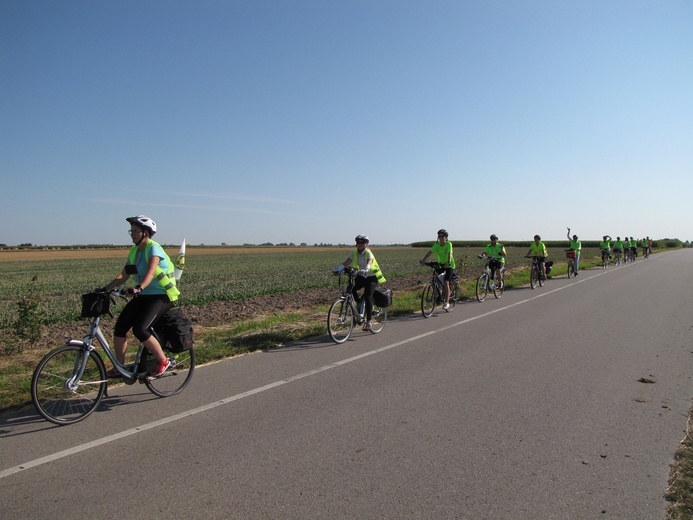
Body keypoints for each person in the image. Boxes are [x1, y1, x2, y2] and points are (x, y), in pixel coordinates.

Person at [103, 215, 180, 377]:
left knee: (140, 329)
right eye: (131, 231)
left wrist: (138, 288)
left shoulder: (153, 248)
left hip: (162, 296)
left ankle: (163, 360)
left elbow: (151, 272)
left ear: (146, 233)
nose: (132, 234)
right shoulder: (134, 251)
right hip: (144, 295)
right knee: (120, 328)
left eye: (135, 231)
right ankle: (120, 367)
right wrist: (105, 289)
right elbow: (124, 275)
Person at [333, 234, 386, 331]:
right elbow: (347, 262)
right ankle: (359, 304)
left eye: (362, 242)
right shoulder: (354, 253)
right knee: (350, 288)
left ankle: (368, 321)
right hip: (361, 276)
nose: (360, 244)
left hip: (371, 277)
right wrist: (337, 269)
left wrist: (366, 268)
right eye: (358, 242)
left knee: (367, 297)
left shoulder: (368, 253)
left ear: (366, 244)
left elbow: (369, 261)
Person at [420, 229, 456, 309]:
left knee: (446, 282)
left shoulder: (448, 244)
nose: (440, 238)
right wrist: (423, 260)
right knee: (436, 277)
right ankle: (440, 293)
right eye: (439, 236)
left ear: (446, 237)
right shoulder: (436, 245)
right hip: (440, 264)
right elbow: (430, 252)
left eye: (442, 236)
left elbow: (450, 254)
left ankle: (447, 302)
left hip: (449, 265)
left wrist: (448, 262)